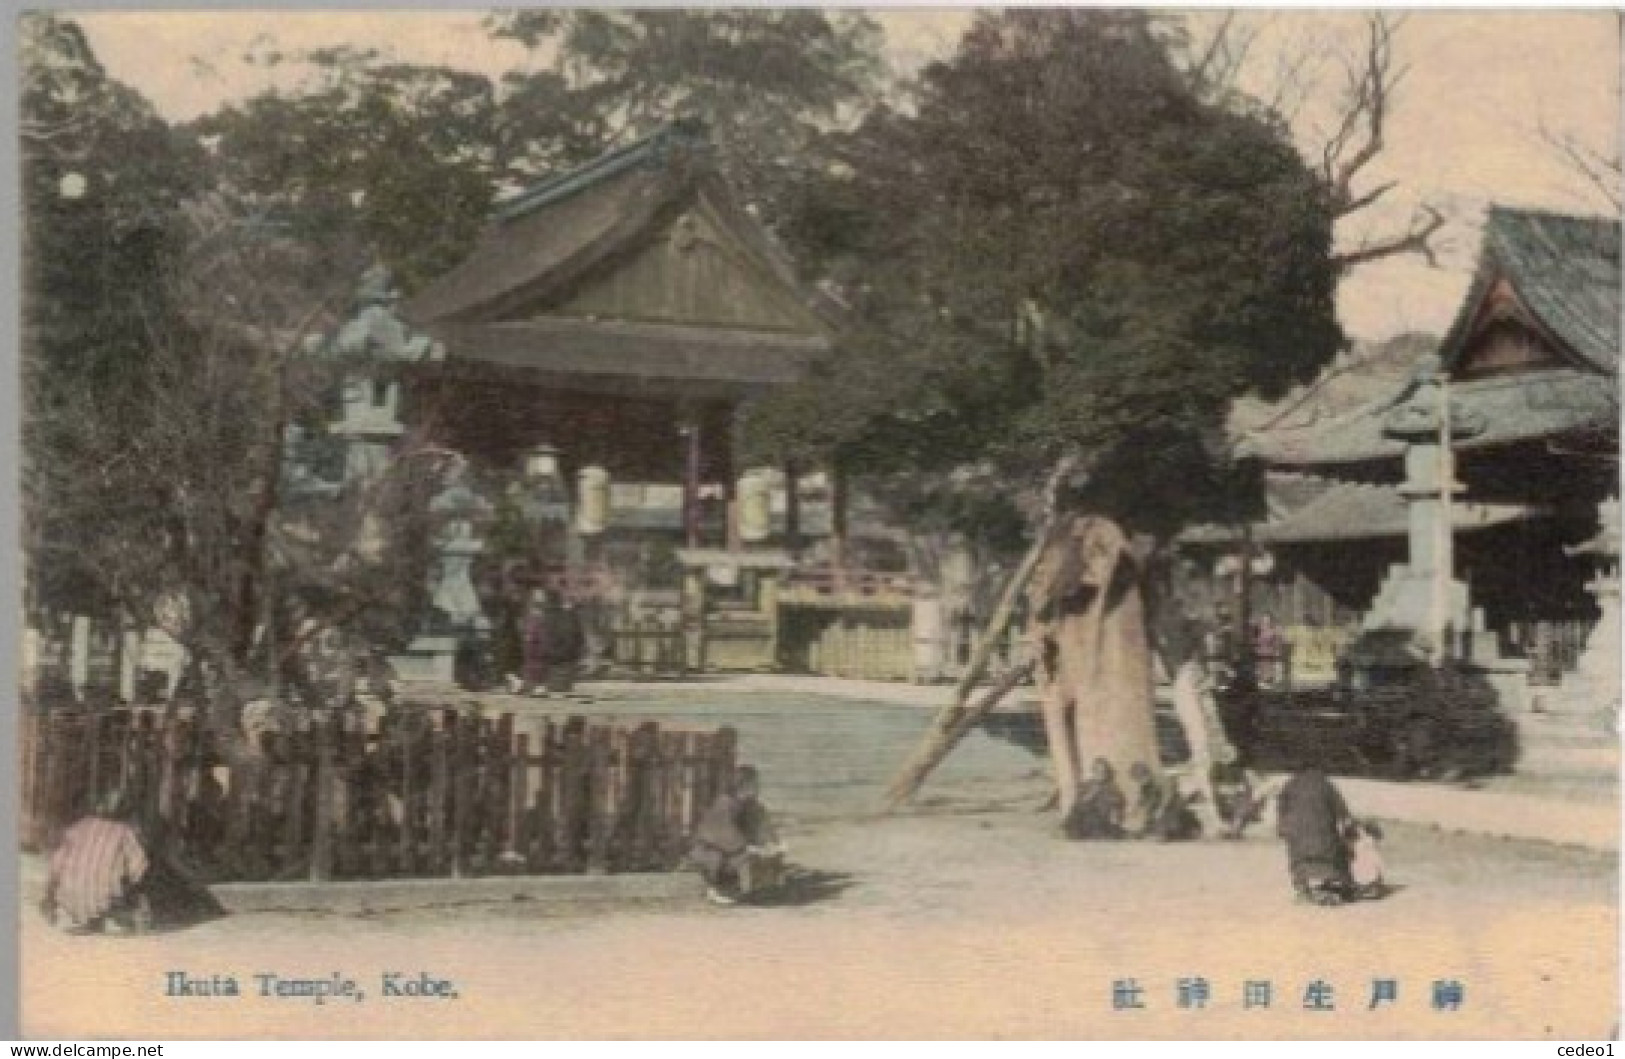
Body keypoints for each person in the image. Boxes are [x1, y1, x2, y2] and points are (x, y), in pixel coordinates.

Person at [41, 789, 151, 934]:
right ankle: (113, 914)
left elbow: (56, 864)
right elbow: (138, 869)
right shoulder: (124, 832)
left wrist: (50, 897)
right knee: (131, 873)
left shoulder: (81, 825)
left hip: (70, 895)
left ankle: (88, 918)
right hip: (101, 897)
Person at [690, 766, 785, 905]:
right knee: (726, 860)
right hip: (711, 849)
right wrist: (747, 847)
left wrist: (771, 843)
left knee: (763, 857)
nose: (757, 788)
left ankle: (745, 888)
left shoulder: (753, 806)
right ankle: (716, 889)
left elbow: (763, 826)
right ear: (742, 785)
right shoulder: (724, 803)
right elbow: (722, 832)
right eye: (754, 784)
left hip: (736, 847)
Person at [1276, 767, 1355, 905]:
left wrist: (1283, 829)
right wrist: (1350, 832)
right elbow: (1343, 813)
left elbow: (1281, 810)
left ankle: (1302, 889)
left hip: (1298, 842)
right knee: (1339, 852)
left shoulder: (1290, 784)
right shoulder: (1326, 785)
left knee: (1295, 854)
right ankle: (1341, 885)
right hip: (1326, 841)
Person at [1062, 758, 1126, 840]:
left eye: (1103, 771)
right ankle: (1074, 833)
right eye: (1098, 771)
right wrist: (1092, 793)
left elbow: (1118, 802)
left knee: (1093, 819)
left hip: (1100, 820)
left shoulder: (1111, 787)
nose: (1101, 774)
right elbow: (1078, 803)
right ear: (1093, 772)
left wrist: (1113, 801)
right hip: (1085, 819)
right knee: (1078, 809)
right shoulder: (1087, 784)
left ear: (1107, 773)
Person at [1346, 818, 1386, 899]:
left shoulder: (1354, 846)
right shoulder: (1369, 845)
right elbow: (1379, 866)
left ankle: (1364, 889)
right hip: (1370, 881)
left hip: (1357, 881)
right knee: (1375, 861)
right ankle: (1370, 889)